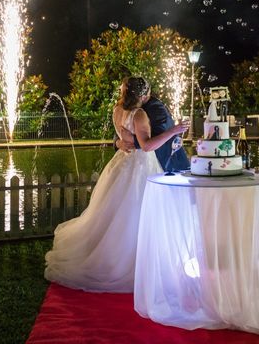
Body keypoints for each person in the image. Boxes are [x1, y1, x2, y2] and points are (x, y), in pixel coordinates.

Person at [44, 76, 189, 292]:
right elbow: (147, 146)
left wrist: (121, 141)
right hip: (141, 167)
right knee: (135, 213)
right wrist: (173, 131)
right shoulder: (140, 113)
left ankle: (111, 254)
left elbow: (124, 136)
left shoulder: (117, 109)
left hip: (121, 164)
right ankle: (134, 261)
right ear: (141, 95)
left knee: (113, 214)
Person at [116, 87, 190, 172]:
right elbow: (121, 129)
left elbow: (156, 137)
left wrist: (133, 140)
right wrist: (118, 142)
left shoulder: (156, 109)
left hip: (168, 162)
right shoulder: (126, 108)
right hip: (134, 161)